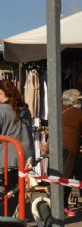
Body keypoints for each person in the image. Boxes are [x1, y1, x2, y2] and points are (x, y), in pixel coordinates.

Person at [0, 79, 35, 217]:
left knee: (5, 197)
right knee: (14, 197)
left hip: (6, 160)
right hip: (24, 160)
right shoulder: (24, 110)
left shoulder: (2, 111)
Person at [61, 88, 82, 217]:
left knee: (56, 176)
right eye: (79, 100)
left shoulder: (57, 110)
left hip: (55, 147)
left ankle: (56, 204)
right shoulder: (79, 113)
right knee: (66, 177)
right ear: (74, 101)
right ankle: (63, 207)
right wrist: (79, 143)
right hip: (71, 148)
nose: (80, 103)